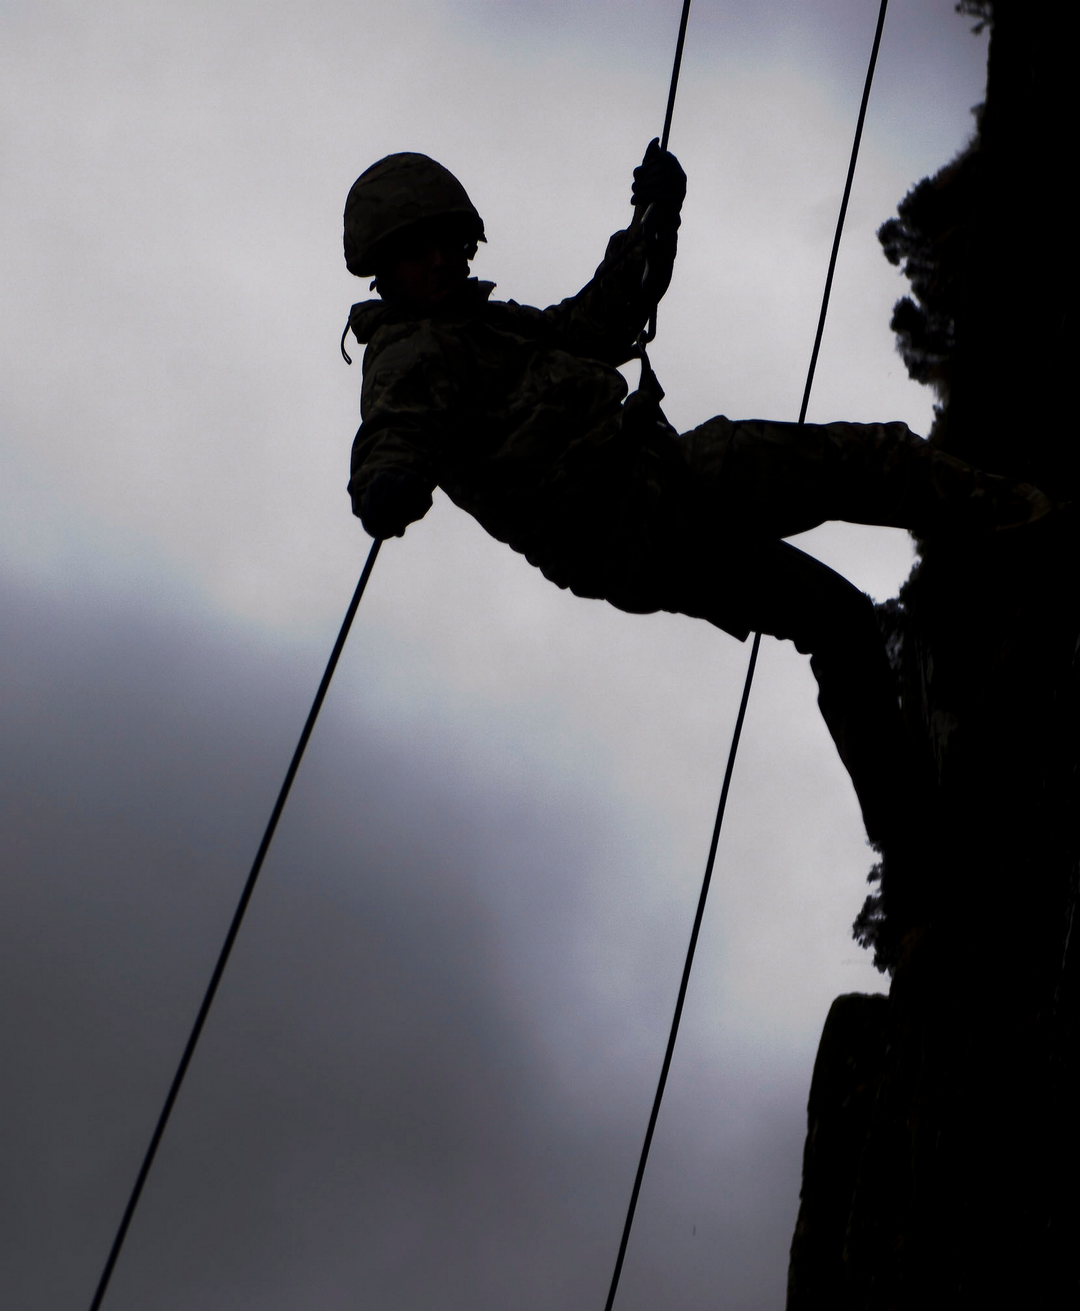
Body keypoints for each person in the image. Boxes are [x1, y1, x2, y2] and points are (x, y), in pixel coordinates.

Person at [339, 146, 1047, 884]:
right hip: (645, 507)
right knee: (867, 463)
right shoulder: (409, 356)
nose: (440, 260)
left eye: (448, 242)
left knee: (840, 622)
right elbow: (393, 431)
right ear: (383, 269)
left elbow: (595, 327)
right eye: (416, 251)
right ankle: (1033, 525)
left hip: (648, 520)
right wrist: (384, 485)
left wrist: (653, 219)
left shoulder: (485, 324)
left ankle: (918, 854)